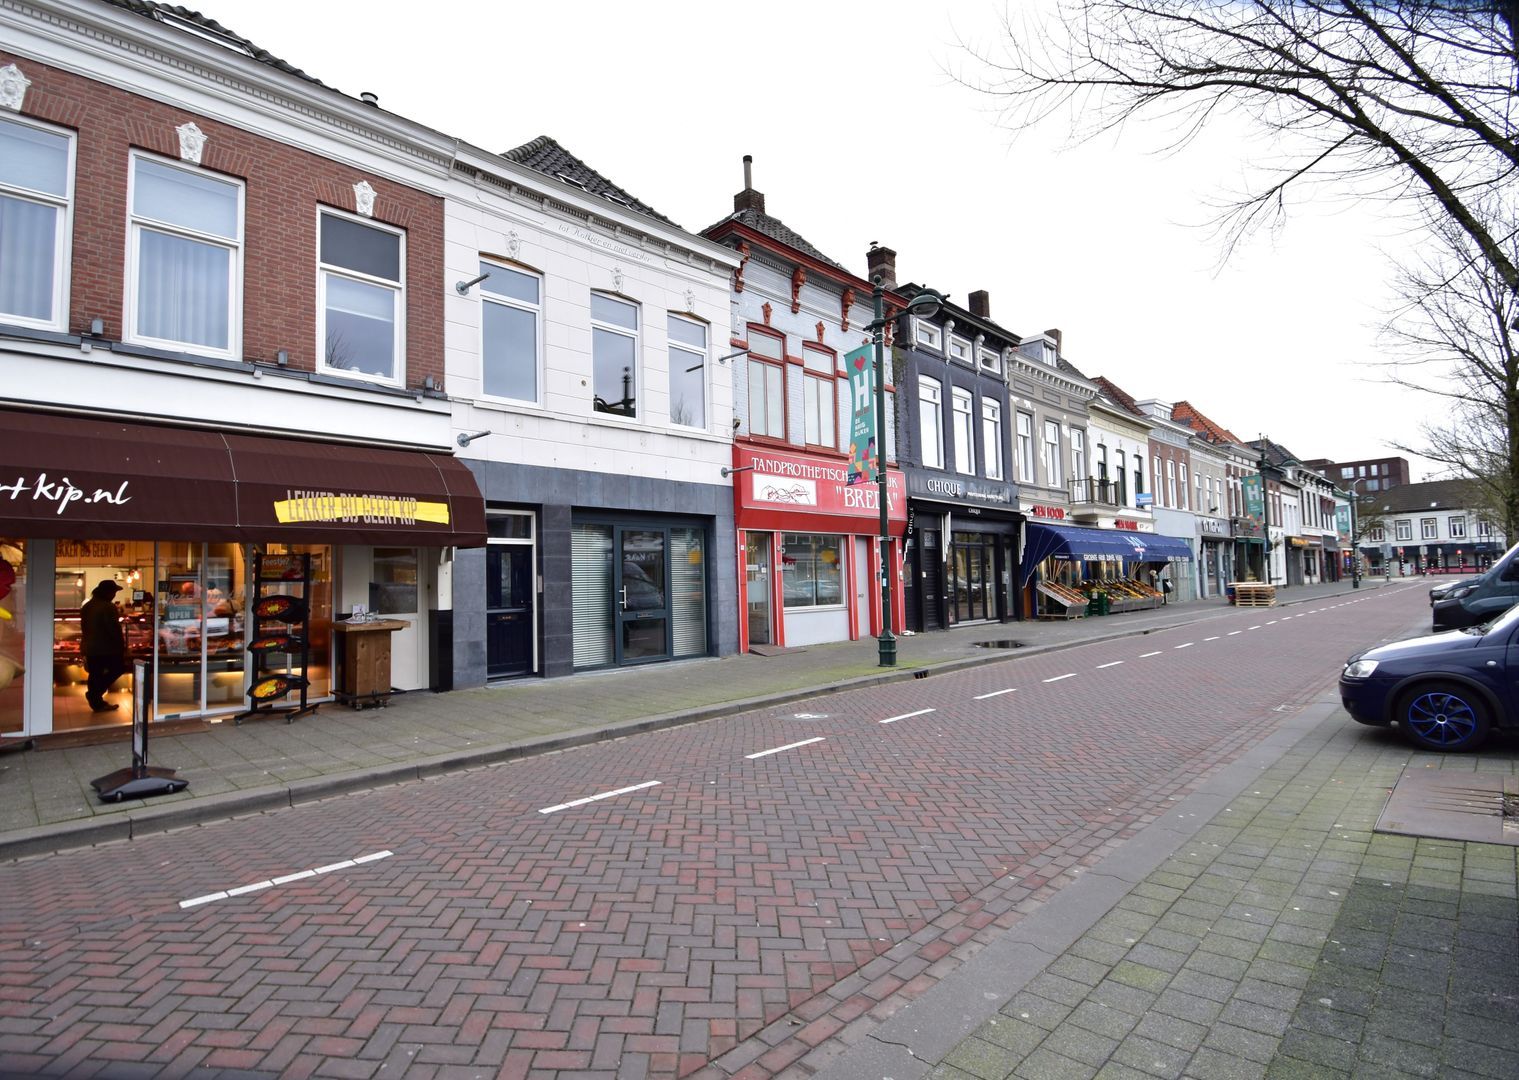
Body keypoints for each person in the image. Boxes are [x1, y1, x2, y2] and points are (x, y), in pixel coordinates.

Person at [80, 580, 127, 712]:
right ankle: (94, 695)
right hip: (106, 647)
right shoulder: (108, 607)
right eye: (113, 592)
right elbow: (113, 629)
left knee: (95, 674)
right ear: (107, 592)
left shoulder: (87, 606)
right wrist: (121, 646)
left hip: (90, 646)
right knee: (118, 668)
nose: (114, 595)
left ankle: (97, 702)